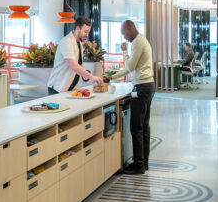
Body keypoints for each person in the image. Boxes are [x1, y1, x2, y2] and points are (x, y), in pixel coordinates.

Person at [105, 20, 155, 174]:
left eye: (123, 32)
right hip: (147, 86)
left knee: (136, 128)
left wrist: (111, 77)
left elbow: (130, 67)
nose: (123, 35)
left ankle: (139, 165)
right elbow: (133, 66)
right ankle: (143, 162)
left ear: (130, 28)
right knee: (144, 126)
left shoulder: (138, 42)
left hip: (142, 88)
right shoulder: (141, 40)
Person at [47, 16, 102, 94]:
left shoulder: (79, 43)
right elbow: (74, 66)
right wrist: (92, 77)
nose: (87, 35)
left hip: (71, 89)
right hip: (57, 88)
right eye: (85, 31)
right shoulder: (66, 42)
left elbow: (78, 65)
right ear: (78, 28)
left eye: (88, 32)